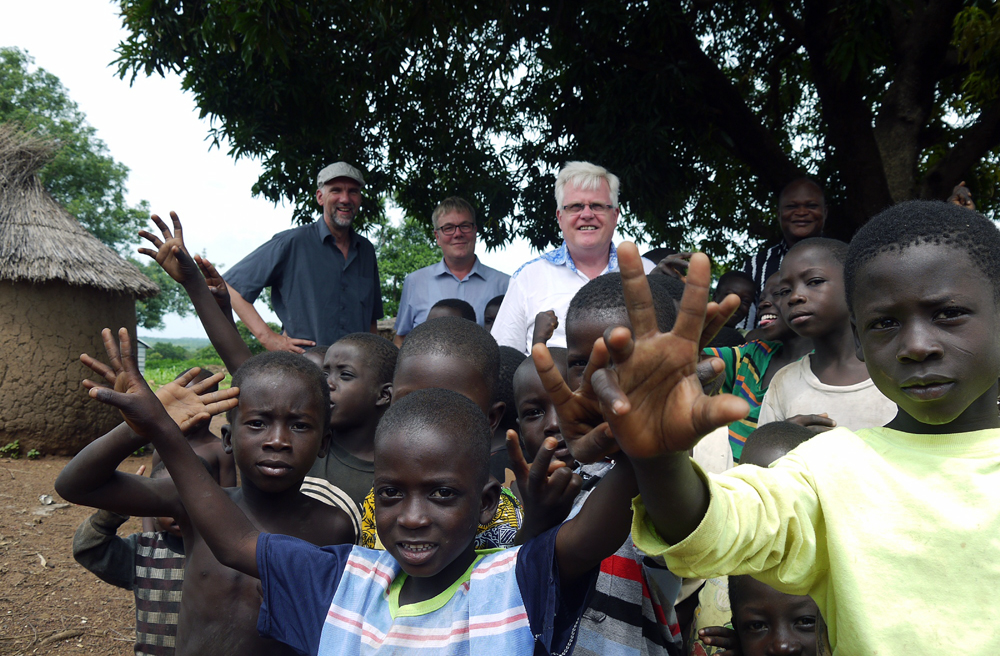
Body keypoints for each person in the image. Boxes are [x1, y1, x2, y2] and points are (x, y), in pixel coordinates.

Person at [563, 202, 1000, 653]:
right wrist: (657, 460)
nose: (916, 346)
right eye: (884, 323)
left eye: (947, 314)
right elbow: (714, 528)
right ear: (859, 339)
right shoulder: (828, 468)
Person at [86, 345, 642, 655]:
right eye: (392, 495)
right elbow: (234, 541)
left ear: (485, 501)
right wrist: (160, 430)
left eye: (443, 494)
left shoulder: (509, 582)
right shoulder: (341, 580)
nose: (414, 517)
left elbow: (592, 532)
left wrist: (645, 448)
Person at [57, 346, 355, 656]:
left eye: (300, 425)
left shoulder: (333, 526)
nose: (277, 440)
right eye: (257, 423)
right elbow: (76, 486)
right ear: (228, 438)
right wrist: (138, 430)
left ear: (324, 443)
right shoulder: (196, 505)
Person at [360, 316, 523, 550]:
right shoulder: (378, 501)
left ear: (490, 419)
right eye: (411, 402)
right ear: (389, 401)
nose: (428, 421)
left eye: (453, 406)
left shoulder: (506, 521)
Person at [491, 161, 655, 354]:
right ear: (560, 217)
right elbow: (504, 359)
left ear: (615, 215)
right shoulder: (527, 278)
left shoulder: (647, 273)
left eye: (597, 206)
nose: (586, 214)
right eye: (576, 207)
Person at [223, 162, 383, 351]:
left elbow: (371, 321)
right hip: (304, 370)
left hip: (356, 371)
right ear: (320, 197)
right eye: (336, 190)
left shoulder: (366, 250)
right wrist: (269, 338)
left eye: (353, 191)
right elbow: (231, 287)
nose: (345, 198)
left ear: (360, 199)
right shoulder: (292, 242)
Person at [691, 421, 819, 656]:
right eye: (756, 487)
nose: (772, 502)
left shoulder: (829, 568)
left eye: (785, 487)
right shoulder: (721, 567)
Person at [72, 460, 212, 656]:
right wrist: (116, 506)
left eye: (190, 497)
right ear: (151, 507)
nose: (180, 508)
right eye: (167, 499)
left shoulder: (229, 554)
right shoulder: (142, 552)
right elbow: (88, 547)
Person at [757, 238, 895, 431]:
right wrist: (785, 437)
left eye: (814, 282)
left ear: (853, 286)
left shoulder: (895, 372)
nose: (795, 296)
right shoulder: (784, 382)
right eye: (785, 290)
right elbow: (763, 457)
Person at [704, 273, 813, 461]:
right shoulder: (752, 355)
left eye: (779, 293)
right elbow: (695, 360)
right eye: (761, 299)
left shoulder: (822, 373)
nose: (763, 303)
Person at [300, 332, 397, 541]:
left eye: (345, 375)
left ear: (383, 395)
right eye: (325, 375)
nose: (328, 384)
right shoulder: (307, 443)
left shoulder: (391, 474)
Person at [392, 197, 509, 346]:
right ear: (437, 237)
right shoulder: (415, 282)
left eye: (465, 226)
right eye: (448, 228)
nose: (458, 233)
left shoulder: (506, 285)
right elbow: (402, 339)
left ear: (475, 231)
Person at [739, 178, 827, 329]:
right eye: (791, 206)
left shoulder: (842, 258)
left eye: (811, 206)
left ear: (825, 212)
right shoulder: (755, 266)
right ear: (779, 214)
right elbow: (744, 327)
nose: (801, 212)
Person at [149, 369, 236, 489]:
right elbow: (154, 489)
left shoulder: (220, 450)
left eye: (197, 399)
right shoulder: (163, 448)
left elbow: (229, 495)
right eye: (180, 401)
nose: (188, 408)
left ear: (214, 402)